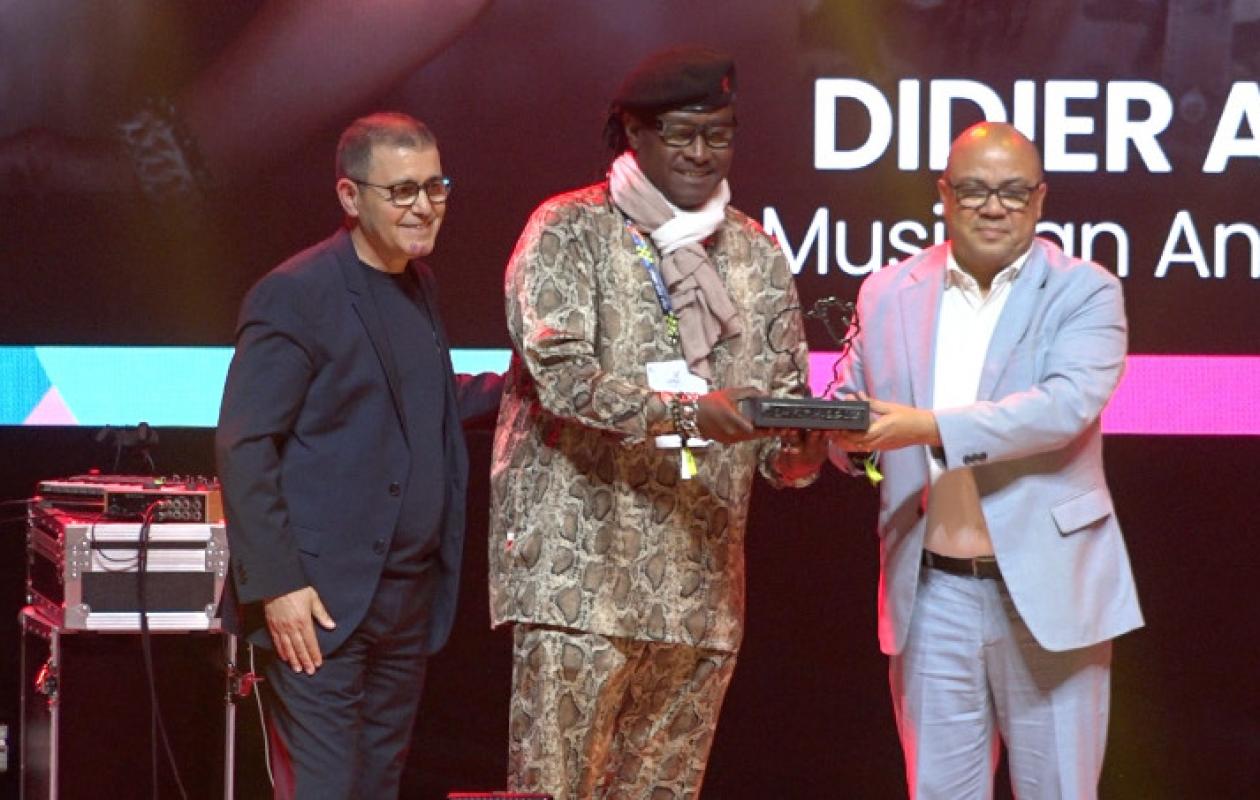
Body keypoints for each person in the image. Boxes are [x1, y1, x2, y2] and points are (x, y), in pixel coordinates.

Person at [488, 45, 827, 800]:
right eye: (682, 134)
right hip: (580, 581)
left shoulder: (756, 252)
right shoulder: (569, 229)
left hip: (699, 591)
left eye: (719, 134)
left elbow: (777, 417)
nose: (702, 153)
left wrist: (798, 454)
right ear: (633, 134)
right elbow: (563, 379)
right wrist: (691, 413)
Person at [828, 121, 1143, 798]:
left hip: (1053, 591)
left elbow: (1062, 408)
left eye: (1013, 192)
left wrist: (927, 427)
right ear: (944, 195)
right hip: (931, 593)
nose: (994, 207)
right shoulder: (887, 290)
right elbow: (854, 403)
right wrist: (829, 441)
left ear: (1040, 199)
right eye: (974, 190)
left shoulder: (1085, 290)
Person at [215, 111, 502, 799]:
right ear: (350, 195)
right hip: (318, 607)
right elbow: (244, 443)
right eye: (402, 190)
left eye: (435, 186)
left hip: (404, 604)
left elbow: (429, 397)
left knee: (377, 786)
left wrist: (526, 383)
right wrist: (278, 585)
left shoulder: (418, 284)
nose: (424, 206)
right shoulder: (296, 294)